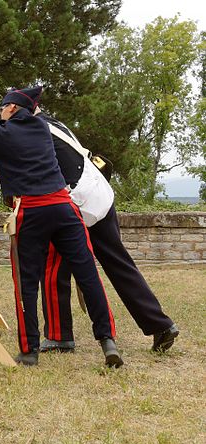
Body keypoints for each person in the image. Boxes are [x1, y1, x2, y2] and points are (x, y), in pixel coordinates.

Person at [0, 86, 123, 367]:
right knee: (88, 276)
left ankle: (29, 351)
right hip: (66, 210)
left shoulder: (3, 133)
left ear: (12, 108)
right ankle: (107, 341)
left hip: (33, 212)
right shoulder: (42, 128)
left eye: (2, 108)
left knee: (26, 283)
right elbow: (1, 156)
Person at [34, 109, 179, 353]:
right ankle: (160, 324)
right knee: (119, 264)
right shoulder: (53, 123)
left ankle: (60, 337)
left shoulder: (31, 128)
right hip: (99, 193)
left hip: (77, 200)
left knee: (54, 265)